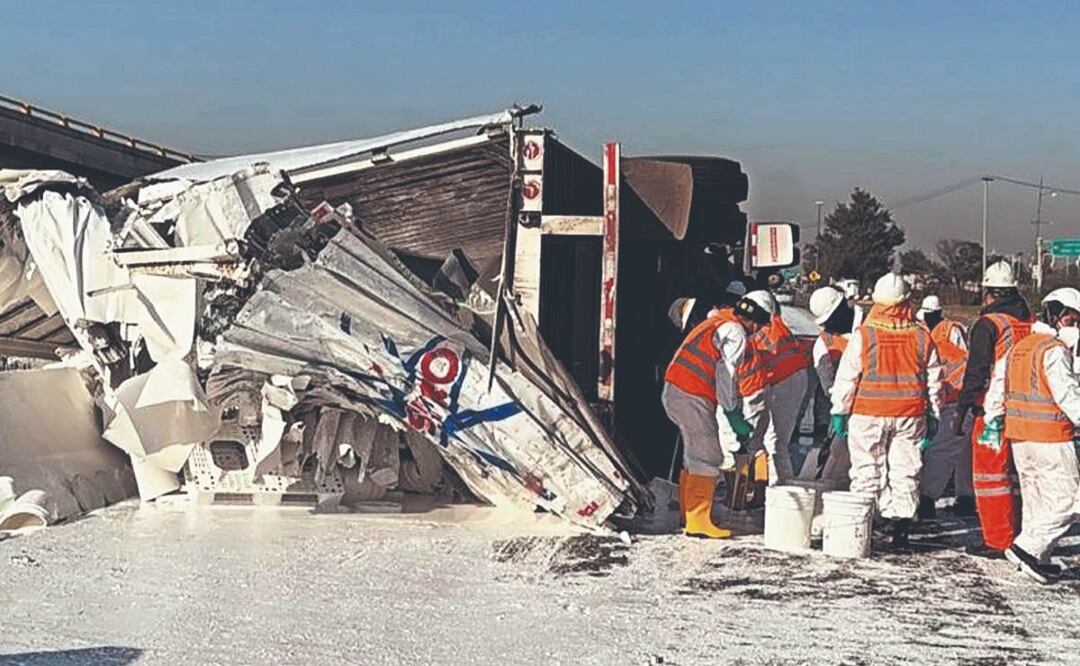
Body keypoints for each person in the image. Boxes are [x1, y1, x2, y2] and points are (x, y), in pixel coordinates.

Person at [830, 273, 943, 547]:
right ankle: (900, 528)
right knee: (906, 469)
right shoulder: (921, 336)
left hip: (868, 413)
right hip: (910, 414)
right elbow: (935, 381)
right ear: (907, 302)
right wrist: (934, 415)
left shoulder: (865, 335)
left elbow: (847, 377)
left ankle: (866, 527)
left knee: (868, 470)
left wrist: (839, 411)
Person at [982, 287, 1080, 584]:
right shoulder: (1053, 351)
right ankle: (1027, 548)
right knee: (1070, 500)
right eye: (1073, 320)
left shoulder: (1020, 347)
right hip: (1051, 437)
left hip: (1020, 438)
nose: (1074, 327)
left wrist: (993, 420)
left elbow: (997, 389)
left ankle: (1038, 557)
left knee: (1037, 501)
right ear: (1059, 316)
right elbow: (1067, 394)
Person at [662, 291, 773, 538]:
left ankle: (688, 512)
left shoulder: (715, 321)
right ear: (754, 320)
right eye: (760, 325)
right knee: (708, 455)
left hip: (676, 391)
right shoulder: (736, 333)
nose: (758, 331)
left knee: (693, 454)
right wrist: (733, 412)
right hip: (692, 394)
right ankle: (699, 520)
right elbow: (727, 375)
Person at [954, 260, 1034, 555]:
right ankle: (1023, 535)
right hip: (1028, 408)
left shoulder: (988, 325)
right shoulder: (1029, 321)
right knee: (1018, 476)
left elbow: (976, 373)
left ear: (988, 292)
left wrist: (963, 409)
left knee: (992, 476)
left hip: (992, 412)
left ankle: (998, 540)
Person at [916, 295, 973, 519]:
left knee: (946, 450)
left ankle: (930, 498)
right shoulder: (921, 330)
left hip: (953, 396)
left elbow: (959, 363)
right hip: (939, 396)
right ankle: (936, 495)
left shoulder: (952, 330)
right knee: (945, 450)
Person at [754, 294, 813, 484]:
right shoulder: (775, 324)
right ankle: (781, 484)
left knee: (773, 441)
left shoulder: (757, 330)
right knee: (776, 440)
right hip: (793, 379)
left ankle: (778, 487)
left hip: (783, 383)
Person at [808, 285, 856, 483]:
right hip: (844, 407)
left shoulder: (869, 328)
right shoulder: (824, 343)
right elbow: (828, 384)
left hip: (876, 406)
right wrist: (843, 406)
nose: (828, 325)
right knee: (834, 463)